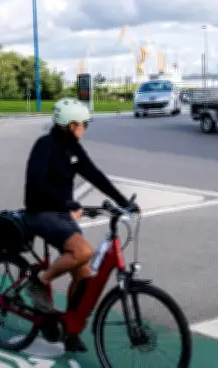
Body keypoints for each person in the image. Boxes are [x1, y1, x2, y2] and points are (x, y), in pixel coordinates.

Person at [23, 98, 137, 353]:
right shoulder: (45, 146)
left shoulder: (73, 149)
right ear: (72, 125)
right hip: (40, 213)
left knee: (84, 275)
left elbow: (94, 174)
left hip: (62, 213)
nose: (85, 128)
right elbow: (36, 186)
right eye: (84, 124)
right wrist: (67, 203)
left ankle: (70, 330)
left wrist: (123, 203)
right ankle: (39, 281)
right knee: (82, 252)